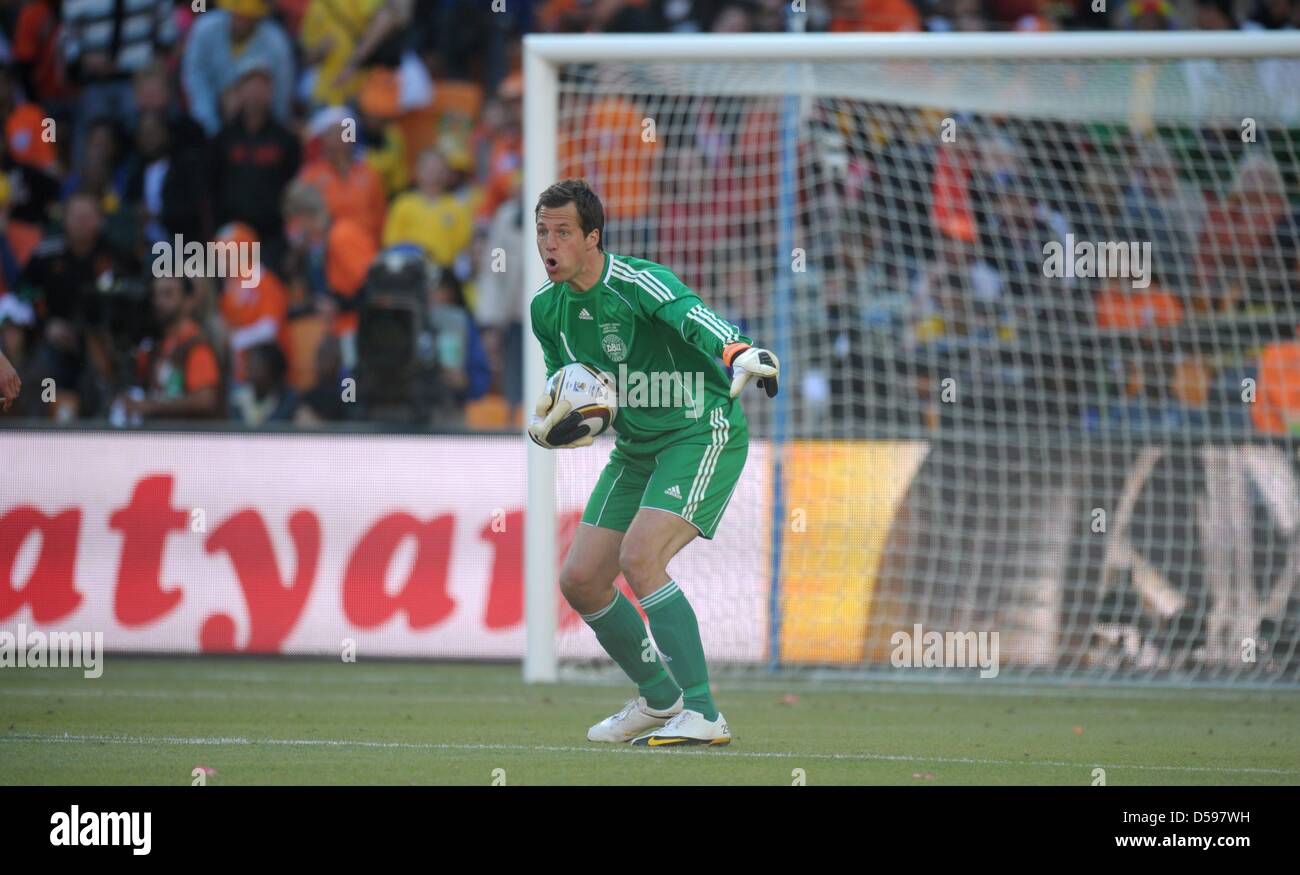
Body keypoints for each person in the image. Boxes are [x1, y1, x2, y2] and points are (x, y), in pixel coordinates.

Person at [527, 179, 780, 746]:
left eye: (563, 232)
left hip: (699, 430)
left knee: (641, 557)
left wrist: (738, 349)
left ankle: (705, 713)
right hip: (636, 447)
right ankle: (659, 699)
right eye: (542, 231)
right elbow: (571, 383)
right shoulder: (547, 309)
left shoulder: (637, 281)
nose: (549, 243)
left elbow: (694, 316)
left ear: (593, 237)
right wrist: (560, 415)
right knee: (582, 580)